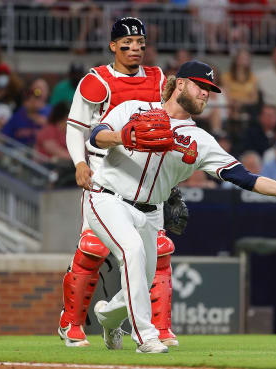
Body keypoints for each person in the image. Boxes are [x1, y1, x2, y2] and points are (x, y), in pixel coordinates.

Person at [89, 60, 276, 353]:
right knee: (132, 253)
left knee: (141, 281)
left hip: (151, 213)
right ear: (181, 84)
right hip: (107, 197)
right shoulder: (133, 109)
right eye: (201, 86)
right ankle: (146, 337)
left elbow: (244, 177)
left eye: (210, 90)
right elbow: (96, 135)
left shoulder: (200, 140)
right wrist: (121, 136)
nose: (205, 94)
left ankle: (107, 318)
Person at [59, 17, 184, 348]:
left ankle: (157, 326)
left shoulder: (159, 79)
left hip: (146, 174)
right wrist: (79, 163)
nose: (135, 49)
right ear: (113, 46)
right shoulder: (97, 80)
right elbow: (76, 127)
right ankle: (70, 323)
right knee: (93, 248)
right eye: (127, 43)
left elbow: (172, 126)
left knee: (155, 254)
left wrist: (170, 177)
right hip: (106, 172)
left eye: (140, 43)